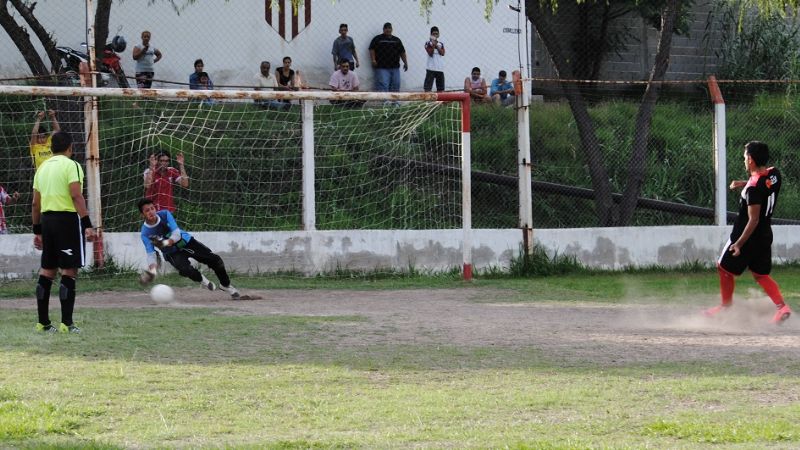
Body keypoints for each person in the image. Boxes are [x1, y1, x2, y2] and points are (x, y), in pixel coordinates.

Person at [704, 141, 792, 324]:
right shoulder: (774, 174)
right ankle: (782, 307)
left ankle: (725, 307)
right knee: (761, 275)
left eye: (745, 157)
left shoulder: (752, 190)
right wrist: (742, 184)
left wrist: (738, 244)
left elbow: (753, 219)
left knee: (723, 267)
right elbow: (764, 184)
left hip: (747, 236)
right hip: (765, 235)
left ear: (750, 160)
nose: (744, 159)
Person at [31, 131, 96, 333]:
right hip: (66, 221)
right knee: (69, 271)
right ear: (70, 147)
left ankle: (43, 323)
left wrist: (37, 231)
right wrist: (88, 225)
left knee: (47, 271)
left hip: (47, 221)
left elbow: (35, 203)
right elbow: (76, 196)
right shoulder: (72, 165)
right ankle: (67, 324)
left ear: (51, 148)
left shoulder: (42, 168)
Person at [137, 198, 240, 299]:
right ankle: (203, 281)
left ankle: (225, 285)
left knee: (216, 261)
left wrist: (164, 242)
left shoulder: (165, 214)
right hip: (172, 253)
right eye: (147, 210)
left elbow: (177, 235)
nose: (151, 212)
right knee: (186, 270)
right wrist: (152, 271)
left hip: (186, 242)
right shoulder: (145, 233)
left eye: (152, 208)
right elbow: (151, 254)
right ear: (142, 215)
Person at [369, 22, 408, 92]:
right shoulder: (377, 39)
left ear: (392, 29)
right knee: (383, 85)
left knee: (396, 84)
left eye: (389, 28)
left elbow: (402, 52)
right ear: (383, 29)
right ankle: (384, 102)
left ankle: (395, 102)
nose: (388, 30)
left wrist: (405, 63)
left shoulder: (397, 40)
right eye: (386, 28)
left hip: (395, 67)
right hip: (382, 67)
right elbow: (372, 49)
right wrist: (373, 60)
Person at [423, 26, 445, 92]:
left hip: (439, 69)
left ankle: (440, 101)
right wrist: (433, 45)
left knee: (440, 89)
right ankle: (427, 101)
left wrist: (436, 45)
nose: (435, 35)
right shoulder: (428, 43)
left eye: (436, 33)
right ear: (431, 34)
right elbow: (430, 53)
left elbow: (442, 53)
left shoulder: (440, 44)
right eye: (433, 34)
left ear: (438, 34)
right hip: (431, 68)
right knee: (428, 88)